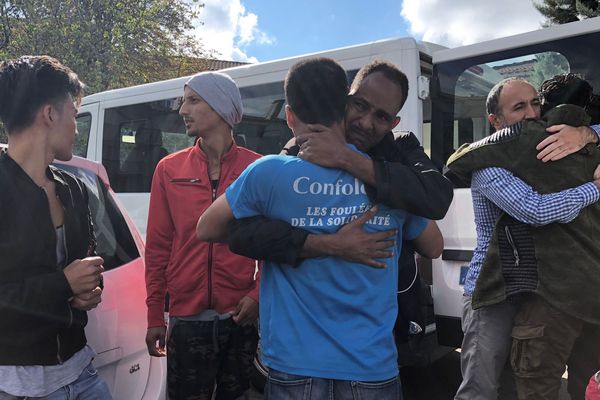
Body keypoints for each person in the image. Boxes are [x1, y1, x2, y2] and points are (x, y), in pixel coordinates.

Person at [197, 57, 443, 400]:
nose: (367, 122)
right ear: (342, 104)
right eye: (361, 107)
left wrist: (295, 231)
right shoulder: (391, 183)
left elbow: (207, 228)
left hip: (293, 366)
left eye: (381, 116)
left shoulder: (268, 173)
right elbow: (433, 245)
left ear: (289, 115)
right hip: (372, 367)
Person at [447, 75, 600, 400]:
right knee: (482, 388)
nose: (532, 114)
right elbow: (537, 211)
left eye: (536, 104)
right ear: (495, 120)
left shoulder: (541, 152)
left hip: (533, 290)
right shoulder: (490, 164)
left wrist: (586, 132)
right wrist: (594, 188)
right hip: (492, 295)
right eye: (519, 107)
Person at [144, 71, 261, 400]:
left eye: (193, 100)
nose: (183, 109)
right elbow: (157, 248)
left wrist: (258, 294)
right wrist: (155, 313)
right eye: (184, 100)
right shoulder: (169, 169)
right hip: (186, 317)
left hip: (240, 316)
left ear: (222, 109)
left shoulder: (257, 170)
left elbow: (273, 245)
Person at [0, 56, 111, 398]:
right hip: (17, 386)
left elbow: (89, 261)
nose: (77, 128)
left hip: (81, 370)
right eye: (74, 116)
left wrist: (90, 289)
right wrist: (64, 284)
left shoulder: (73, 186)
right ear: (49, 114)